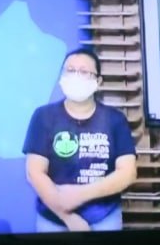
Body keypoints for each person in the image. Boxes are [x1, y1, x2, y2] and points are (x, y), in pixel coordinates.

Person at [23, 47, 137, 232]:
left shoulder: (115, 119)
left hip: (105, 217)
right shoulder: (44, 116)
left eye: (84, 72)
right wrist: (67, 217)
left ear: (98, 81)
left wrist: (79, 195)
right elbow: (34, 173)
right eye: (70, 70)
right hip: (53, 219)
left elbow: (128, 173)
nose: (75, 76)